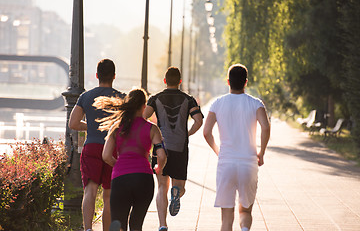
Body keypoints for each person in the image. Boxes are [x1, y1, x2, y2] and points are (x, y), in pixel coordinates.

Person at [203, 64, 271, 231]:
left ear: (228, 81)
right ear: (245, 82)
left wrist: (218, 151)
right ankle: (245, 229)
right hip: (248, 163)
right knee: (245, 211)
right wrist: (261, 153)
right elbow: (266, 127)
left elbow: (206, 132)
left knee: (226, 217)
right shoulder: (256, 103)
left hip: (226, 163)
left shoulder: (217, 103)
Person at [94, 88, 167, 231]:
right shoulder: (152, 129)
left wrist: (119, 165)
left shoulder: (116, 127)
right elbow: (162, 155)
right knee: (136, 224)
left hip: (120, 179)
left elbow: (106, 156)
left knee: (119, 225)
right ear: (144, 106)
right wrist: (159, 167)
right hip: (144, 179)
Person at [143, 66, 203, 231]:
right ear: (180, 81)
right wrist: (187, 134)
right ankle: (176, 193)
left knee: (162, 186)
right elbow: (198, 120)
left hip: (160, 147)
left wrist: (152, 134)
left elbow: (142, 117)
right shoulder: (188, 99)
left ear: (165, 81)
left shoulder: (155, 99)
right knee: (180, 186)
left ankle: (162, 224)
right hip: (180, 148)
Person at [69, 59, 125, 231]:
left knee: (90, 190)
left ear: (96, 75)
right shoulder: (122, 98)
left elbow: (73, 123)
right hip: (112, 149)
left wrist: (91, 126)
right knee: (108, 195)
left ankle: (87, 229)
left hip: (91, 146)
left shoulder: (85, 96)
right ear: (114, 76)